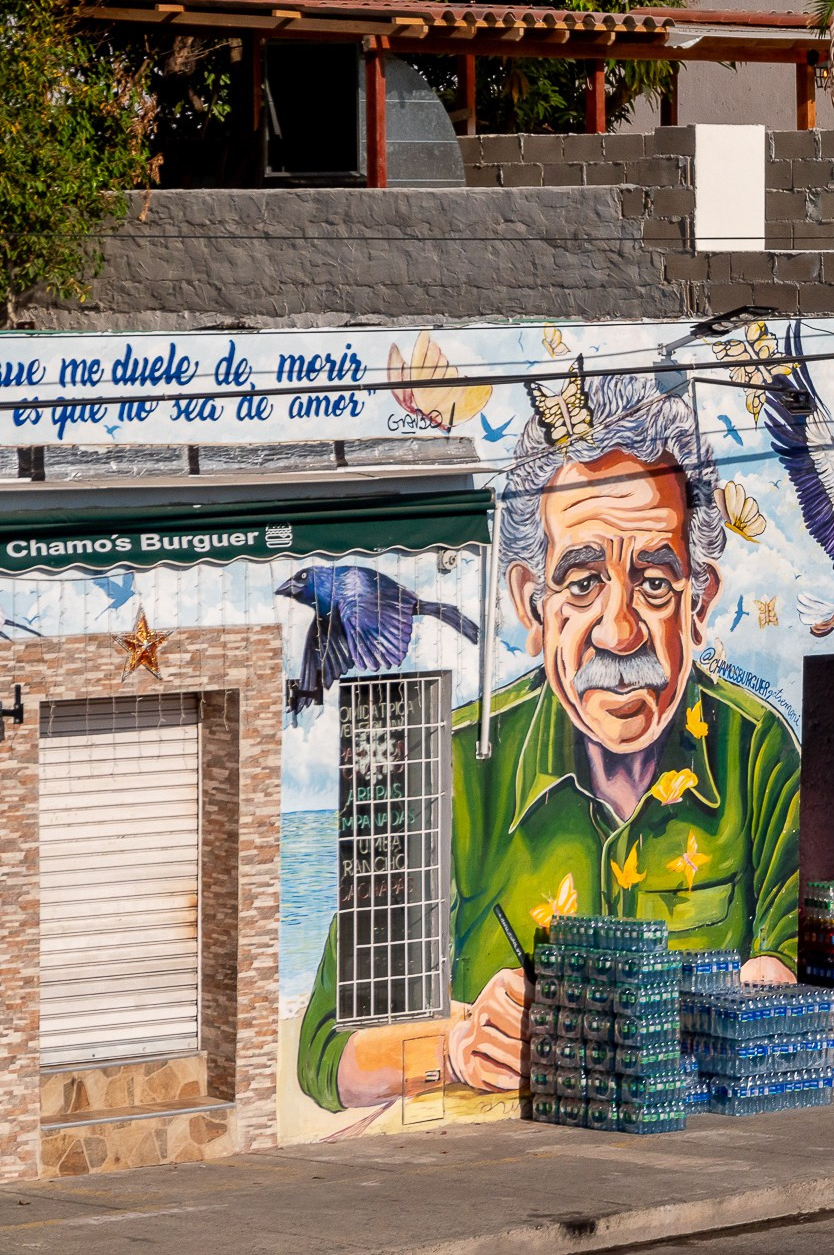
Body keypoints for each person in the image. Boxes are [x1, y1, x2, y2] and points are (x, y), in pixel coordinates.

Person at [297, 368, 801, 1112]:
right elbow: (326, 1052)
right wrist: (454, 1044)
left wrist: (750, 1002)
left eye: (655, 584)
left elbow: (782, 973)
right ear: (532, 606)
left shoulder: (757, 753)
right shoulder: (436, 764)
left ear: (699, 605)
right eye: (583, 583)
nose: (620, 631)